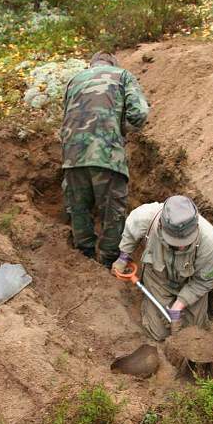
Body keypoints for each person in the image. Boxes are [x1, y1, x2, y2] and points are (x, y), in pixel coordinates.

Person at [61, 51, 149, 268]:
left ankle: (85, 259)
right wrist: (122, 131)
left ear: (91, 65)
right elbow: (140, 113)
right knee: (112, 212)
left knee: (79, 208)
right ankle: (108, 262)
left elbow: (66, 116)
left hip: (72, 156)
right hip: (107, 156)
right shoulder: (122, 75)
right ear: (113, 63)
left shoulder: (74, 80)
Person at [112, 195, 213, 341]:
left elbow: (204, 281)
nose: (180, 246)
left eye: (185, 241)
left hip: (191, 284)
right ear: (161, 225)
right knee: (159, 334)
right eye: (174, 241)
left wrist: (179, 305)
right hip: (158, 279)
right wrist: (123, 257)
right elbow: (131, 232)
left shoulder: (209, 241)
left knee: (195, 334)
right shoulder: (147, 217)